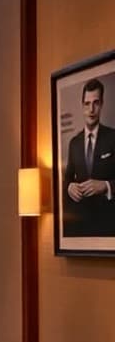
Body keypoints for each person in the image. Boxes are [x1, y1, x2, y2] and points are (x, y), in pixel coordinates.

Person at [63, 77, 115, 237]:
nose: (91, 109)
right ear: (82, 106)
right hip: (81, 228)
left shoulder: (113, 137)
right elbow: (67, 179)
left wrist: (106, 186)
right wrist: (69, 187)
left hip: (110, 226)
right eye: (87, 104)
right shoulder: (74, 143)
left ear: (102, 104)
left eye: (96, 103)